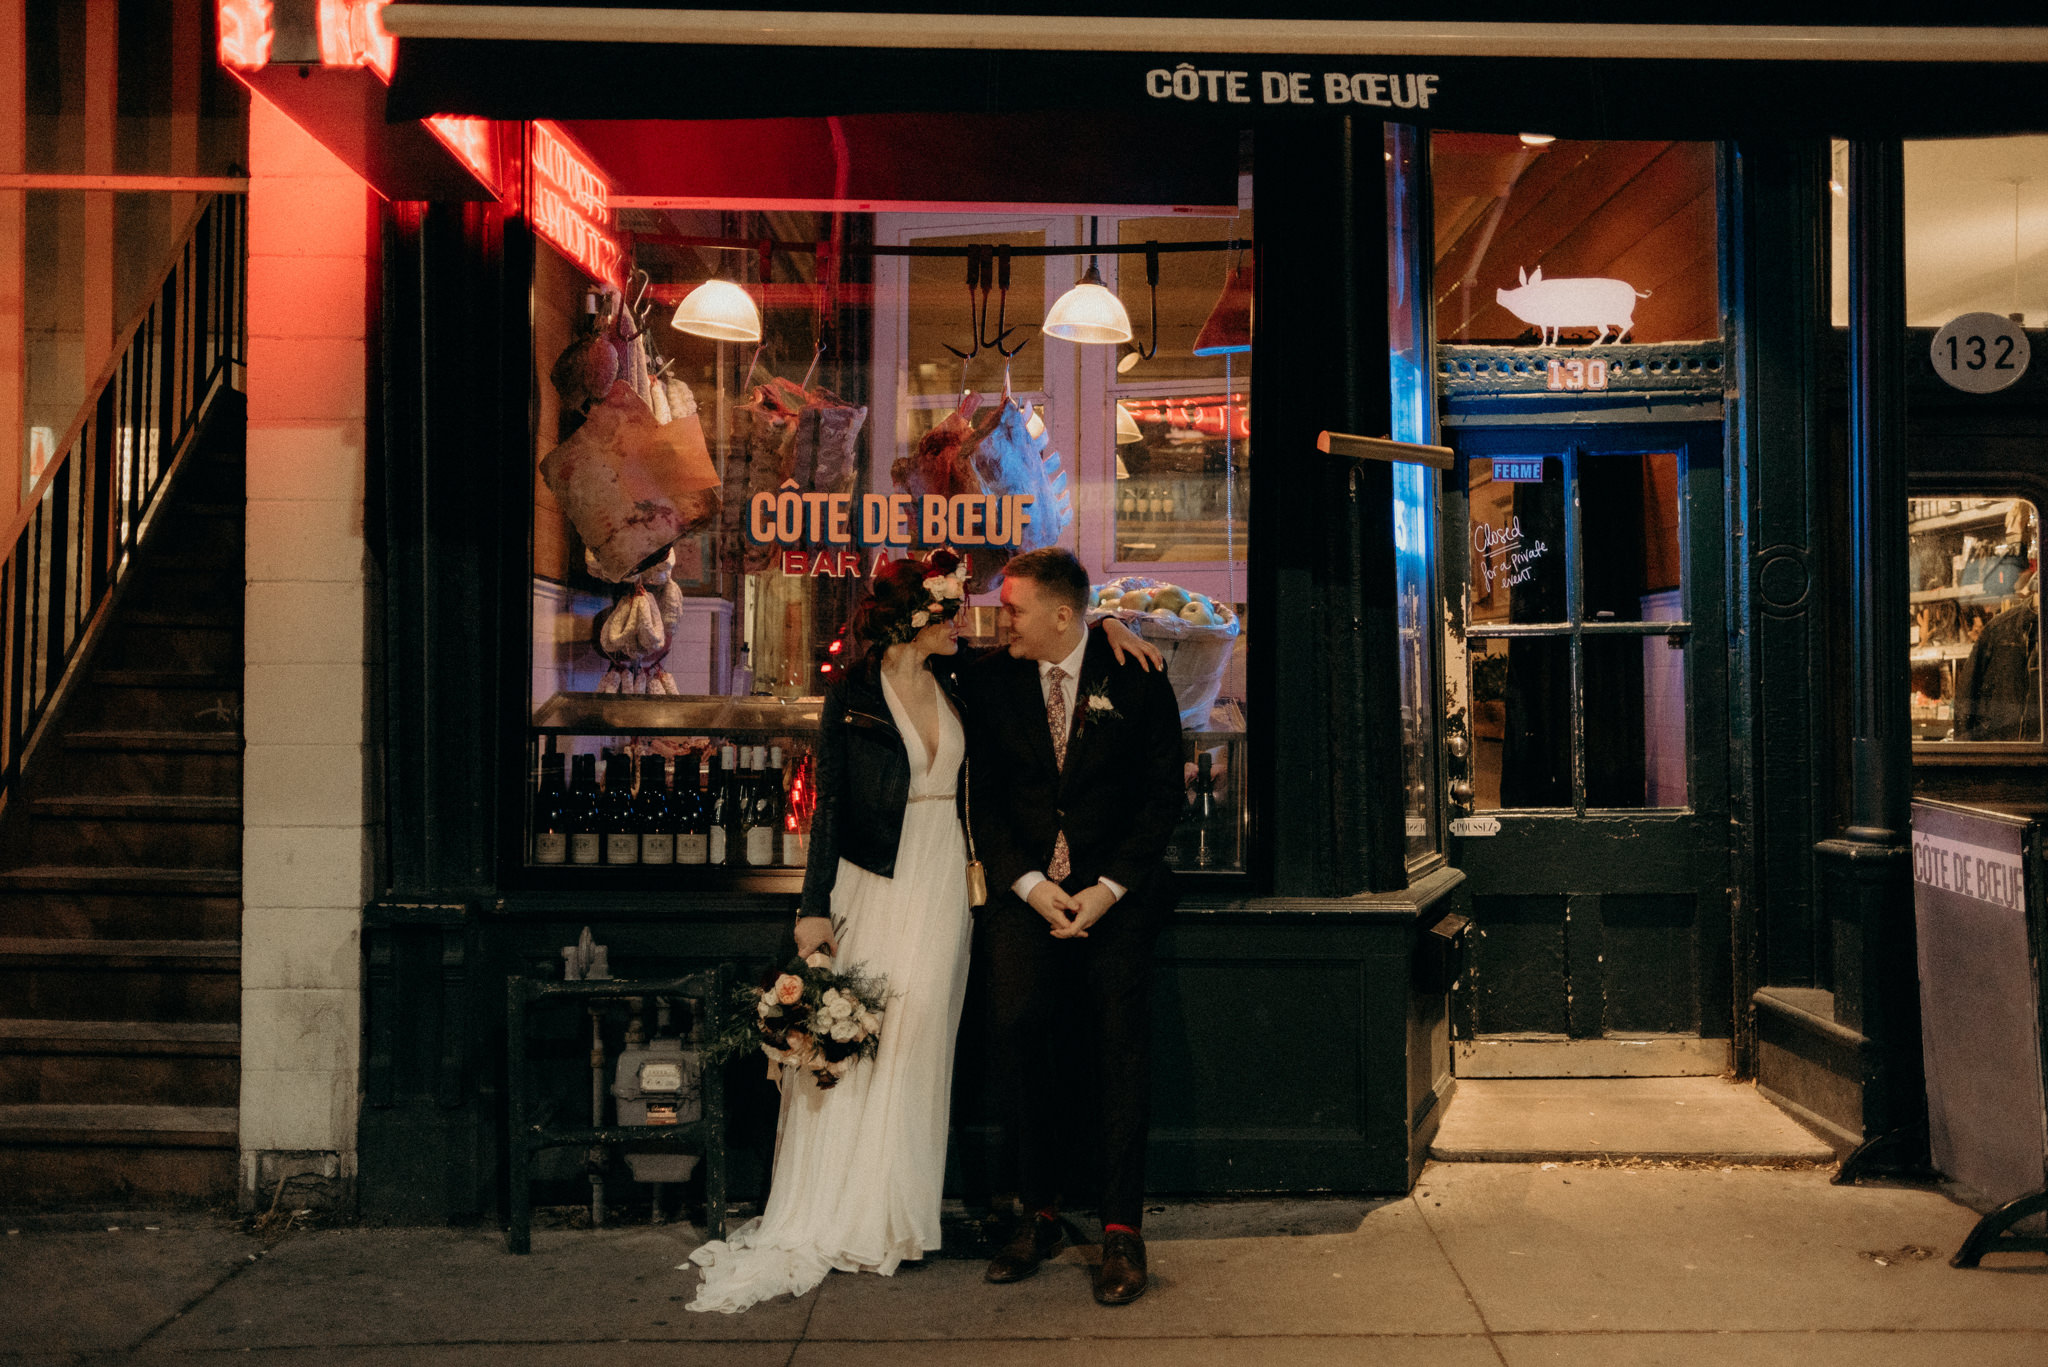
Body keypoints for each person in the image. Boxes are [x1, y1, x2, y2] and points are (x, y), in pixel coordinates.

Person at [687, 549, 1158, 1313]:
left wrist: (1105, 620)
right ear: (917, 618)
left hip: (947, 881)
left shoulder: (962, 676)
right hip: (876, 877)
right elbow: (831, 804)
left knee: (920, 1040)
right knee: (862, 1034)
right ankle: (845, 1208)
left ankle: (902, 1217)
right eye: (952, 609)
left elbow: (1059, 634)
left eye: (995, 608)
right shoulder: (855, 694)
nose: (973, 619)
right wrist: (812, 906)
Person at [966, 547, 1185, 1306]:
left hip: (1115, 896)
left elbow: (1163, 797)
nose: (1002, 621)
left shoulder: (1137, 677)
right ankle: (1040, 1212)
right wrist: (1026, 885)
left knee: (1120, 1046)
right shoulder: (991, 677)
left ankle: (1123, 1230)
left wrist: (1107, 889)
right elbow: (983, 801)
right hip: (1026, 894)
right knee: (1020, 1027)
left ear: (1064, 615)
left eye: (1013, 609)